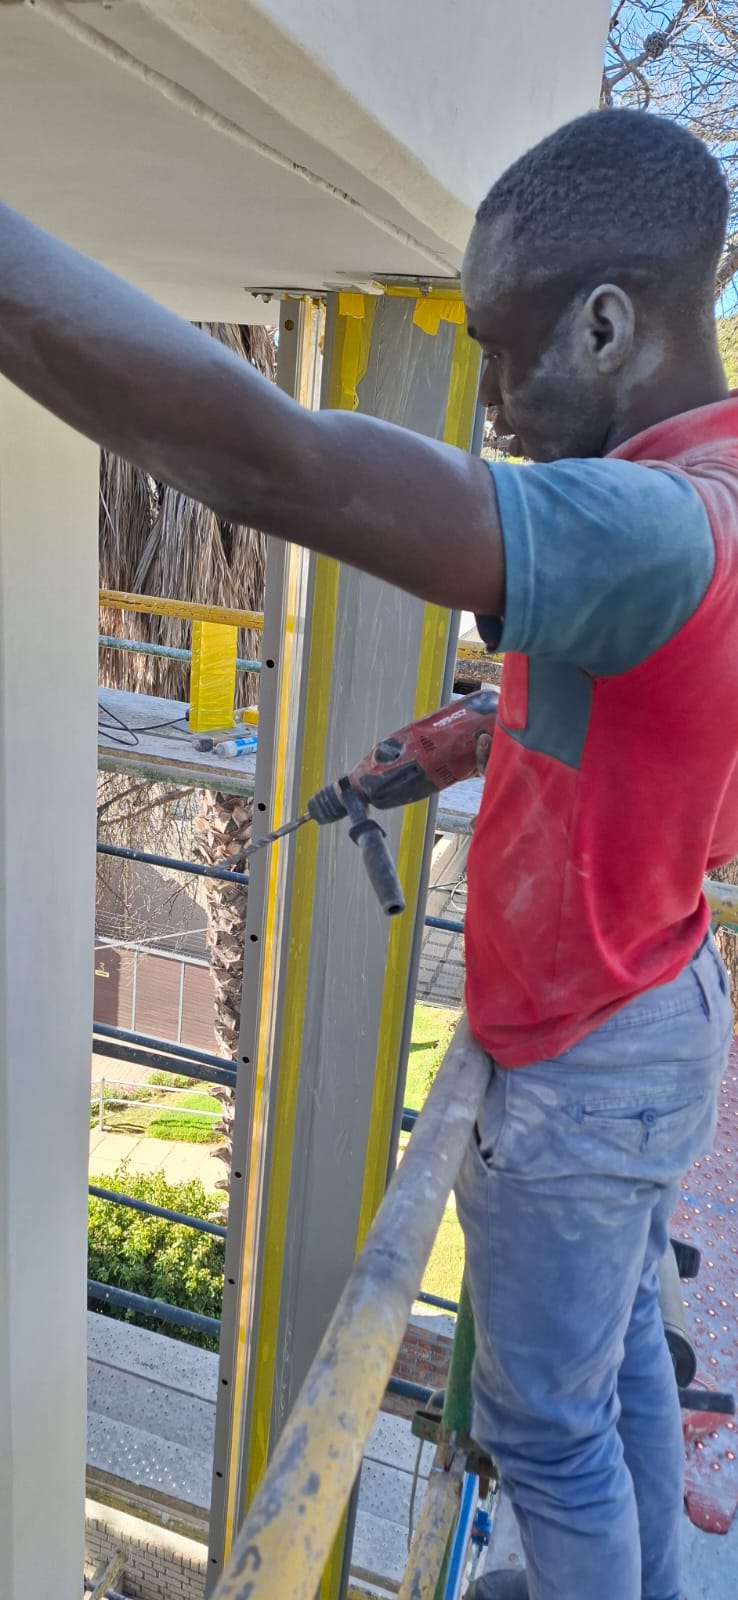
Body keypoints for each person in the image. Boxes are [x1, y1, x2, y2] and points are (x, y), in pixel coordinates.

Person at [0, 107, 735, 1600]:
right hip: (656, 999)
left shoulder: (654, 529)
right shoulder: (705, 479)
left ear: (605, 324)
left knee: (544, 1435)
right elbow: (604, 703)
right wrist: (433, 753)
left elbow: (276, 466)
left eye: (498, 346)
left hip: (585, 1049)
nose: (487, 399)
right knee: (616, 1375)